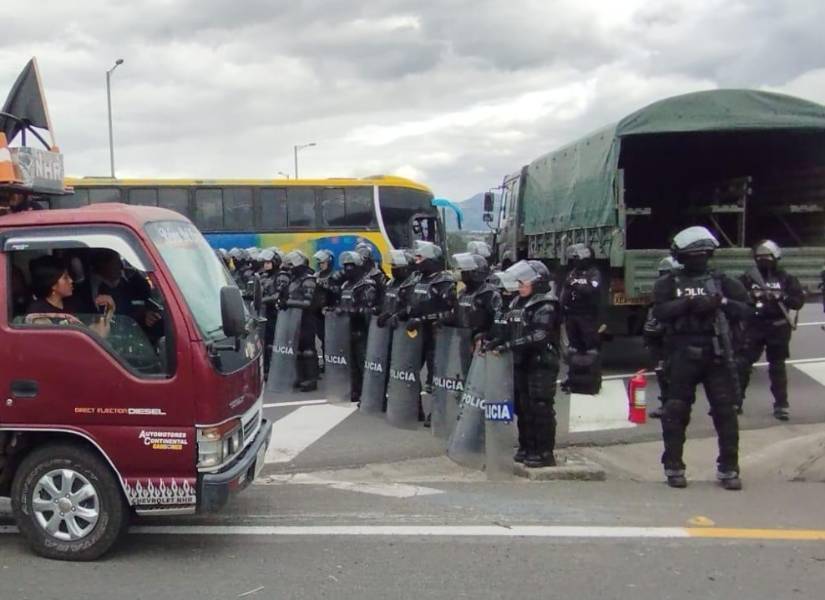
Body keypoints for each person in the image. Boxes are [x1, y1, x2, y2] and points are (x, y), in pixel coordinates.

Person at [653, 226, 751, 490]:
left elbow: (746, 311)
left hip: (716, 352)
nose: (697, 259)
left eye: (701, 254)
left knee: (725, 411)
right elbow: (659, 312)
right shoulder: (669, 283)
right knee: (675, 410)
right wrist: (688, 305)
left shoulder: (723, 282)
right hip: (682, 351)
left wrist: (722, 304)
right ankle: (673, 466)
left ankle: (729, 467)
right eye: (692, 254)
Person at [485, 260, 561, 467]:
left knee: (540, 407)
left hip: (541, 363)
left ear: (537, 282)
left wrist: (509, 345)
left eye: (524, 280)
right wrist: (495, 341)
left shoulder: (546, 305)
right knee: (523, 407)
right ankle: (526, 446)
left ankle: (544, 452)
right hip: (521, 362)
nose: (519, 284)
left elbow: (539, 336)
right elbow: (508, 329)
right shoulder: (516, 303)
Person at [738, 240, 805, 420]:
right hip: (754, 326)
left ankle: (781, 404)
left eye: (767, 257)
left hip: (778, 327)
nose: (764, 261)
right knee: (743, 364)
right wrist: (752, 296)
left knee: (777, 367)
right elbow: (735, 296)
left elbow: (798, 301)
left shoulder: (786, 278)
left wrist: (781, 296)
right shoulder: (748, 277)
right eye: (760, 258)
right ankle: (736, 402)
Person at [404, 241, 456, 402]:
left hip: (436, 334)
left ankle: (437, 413)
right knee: (409, 370)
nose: (416, 261)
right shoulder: (416, 278)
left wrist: (423, 319)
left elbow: (451, 312)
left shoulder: (444, 281)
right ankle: (413, 407)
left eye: (420, 258)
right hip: (417, 333)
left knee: (437, 375)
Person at [69, 248, 161, 336]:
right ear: (99, 265)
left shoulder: (132, 280)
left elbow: (145, 300)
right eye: (111, 262)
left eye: (117, 262)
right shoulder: (85, 289)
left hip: (134, 332)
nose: (118, 266)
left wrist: (145, 315)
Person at [26, 255, 113, 337]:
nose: (71, 280)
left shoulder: (74, 302)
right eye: (65, 278)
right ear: (53, 284)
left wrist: (110, 309)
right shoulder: (38, 313)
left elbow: (92, 326)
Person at [336, 251, 380, 402]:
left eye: (351, 266)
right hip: (346, 329)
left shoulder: (367, 285)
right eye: (346, 266)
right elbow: (341, 302)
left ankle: (368, 393)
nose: (348, 269)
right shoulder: (346, 285)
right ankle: (355, 390)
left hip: (362, 329)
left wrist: (352, 311)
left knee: (363, 363)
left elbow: (369, 308)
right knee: (351, 363)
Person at [560, 243, 603, 393]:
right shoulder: (573, 273)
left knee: (590, 346)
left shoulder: (594, 272)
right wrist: (562, 308)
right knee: (573, 347)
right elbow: (565, 290)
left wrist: (576, 285)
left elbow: (591, 289)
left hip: (587, 315)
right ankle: (572, 377)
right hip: (572, 314)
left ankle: (592, 377)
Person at [644, 257, 682, 419]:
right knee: (665, 372)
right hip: (663, 339)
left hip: (670, 339)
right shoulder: (663, 291)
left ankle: (671, 406)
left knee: (670, 373)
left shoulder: (674, 293)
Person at [282, 250, 319, 392]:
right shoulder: (294, 280)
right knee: (297, 348)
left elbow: (307, 302)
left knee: (307, 349)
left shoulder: (308, 280)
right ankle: (300, 376)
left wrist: (289, 302)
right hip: (294, 318)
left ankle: (311, 379)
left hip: (307, 318)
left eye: (292, 265)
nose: (290, 268)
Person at [448, 252, 501, 348]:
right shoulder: (462, 293)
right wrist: (444, 321)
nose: (462, 272)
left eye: (466, 269)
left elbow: (498, 321)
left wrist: (486, 335)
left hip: (481, 344)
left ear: (476, 272)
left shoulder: (489, 293)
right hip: (462, 342)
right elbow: (458, 316)